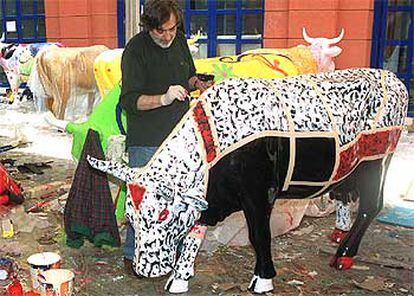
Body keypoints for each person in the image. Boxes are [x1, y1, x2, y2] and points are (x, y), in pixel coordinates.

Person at [119, 0, 210, 273]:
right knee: (144, 199)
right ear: (149, 27)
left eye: (172, 29)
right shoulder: (135, 50)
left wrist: (198, 83)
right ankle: (133, 254)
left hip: (179, 135)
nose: (167, 36)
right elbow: (130, 101)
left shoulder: (179, 41)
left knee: (178, 199)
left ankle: (175, 252)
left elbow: (189, 75)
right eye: (161, 31)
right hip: (147, 138)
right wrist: (164, 97)